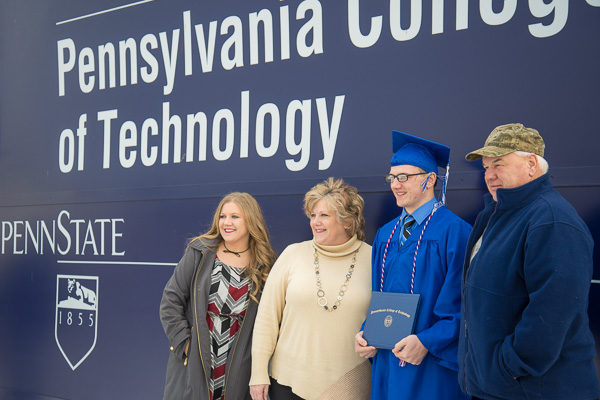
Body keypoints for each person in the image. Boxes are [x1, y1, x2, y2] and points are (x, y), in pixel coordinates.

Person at [459, 123, 600, 400]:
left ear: (532, 164)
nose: (489, 175)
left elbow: (553, 313)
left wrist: (508, 366)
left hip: (534, 390)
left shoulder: (552, 220)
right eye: (486, 167)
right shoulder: (492, 216)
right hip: (496, 388)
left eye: (498, 164)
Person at [355, 131, 472, 399]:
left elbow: (466, 308)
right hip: (387, 362)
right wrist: (366, 332)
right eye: (392, 177)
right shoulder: (385, 233)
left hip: (431, 366)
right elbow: (381, 297)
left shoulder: (455, 232)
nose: (396, 184)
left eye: (404, 177)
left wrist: (427, 342)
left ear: (430, 179)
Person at [250, 177, 372, 400]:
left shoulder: (374, 259)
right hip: (288, 384)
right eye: (313, 215)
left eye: (324, 215)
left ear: (348, 221)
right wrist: (258, 373)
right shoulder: (292, 254)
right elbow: (267, 318)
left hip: (350, 387)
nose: (315, 222)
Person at [160, 192, 277, 400]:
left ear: (251, 220)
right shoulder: (201, 252)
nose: (226, 222)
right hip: (199, 359)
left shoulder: (265, 264)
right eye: (222, 216)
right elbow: (170, 302)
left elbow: (269, 321)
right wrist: (187, 346)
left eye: (235, 217)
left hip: (237, 363)